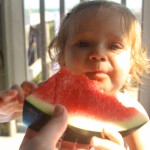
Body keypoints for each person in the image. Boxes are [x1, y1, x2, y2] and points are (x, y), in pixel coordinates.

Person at [0, 0, 150, 149]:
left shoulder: (135, 112)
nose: (98, 54)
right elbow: (6, 116)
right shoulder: (44, 95)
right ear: (63, 58)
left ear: (132, 63)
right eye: (83, 44)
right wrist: (5, 108)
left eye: (114, 46)